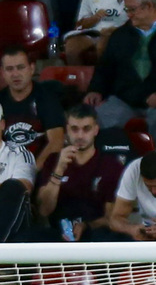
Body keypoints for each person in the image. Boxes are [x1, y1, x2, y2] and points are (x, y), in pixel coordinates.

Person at [84, 0, 156, 153]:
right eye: (127, 9)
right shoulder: (120, 35)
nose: (128, 14)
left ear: (150, 6)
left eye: (132, 9)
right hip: (127, 97)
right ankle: (111, 165)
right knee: (102, 114)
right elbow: (105, 68)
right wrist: (96, 89)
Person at [34, 104, 124, 242]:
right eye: (74, 129)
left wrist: (87, 226)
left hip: (94, 234)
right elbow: (44, 210)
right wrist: (59, 170)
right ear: (66, 131)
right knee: (27, 238)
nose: (80, 136)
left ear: (96, 129)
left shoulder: (111, 165)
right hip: (57, 233)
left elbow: (111, 218)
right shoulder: (53, 161)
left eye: (86, 129)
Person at [0, 47, 65, 172]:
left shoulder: (46, 98)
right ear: (2, 73)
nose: (15, 74)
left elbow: (56, 142)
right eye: (9, 69)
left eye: (20, 67)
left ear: (32, 68)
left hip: (38, 170)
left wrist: (29, 172)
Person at [0, 104, 36, 243]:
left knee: (13, 187)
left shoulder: (19, 154)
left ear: (2, 124)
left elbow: (24, 187)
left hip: (11, 221)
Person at [63, 0, 127, 66]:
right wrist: (95, 18)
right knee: (73, 44)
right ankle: (78, 75)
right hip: (96, 34)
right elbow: (81, 24)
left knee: (106, 38)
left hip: (122, 31)